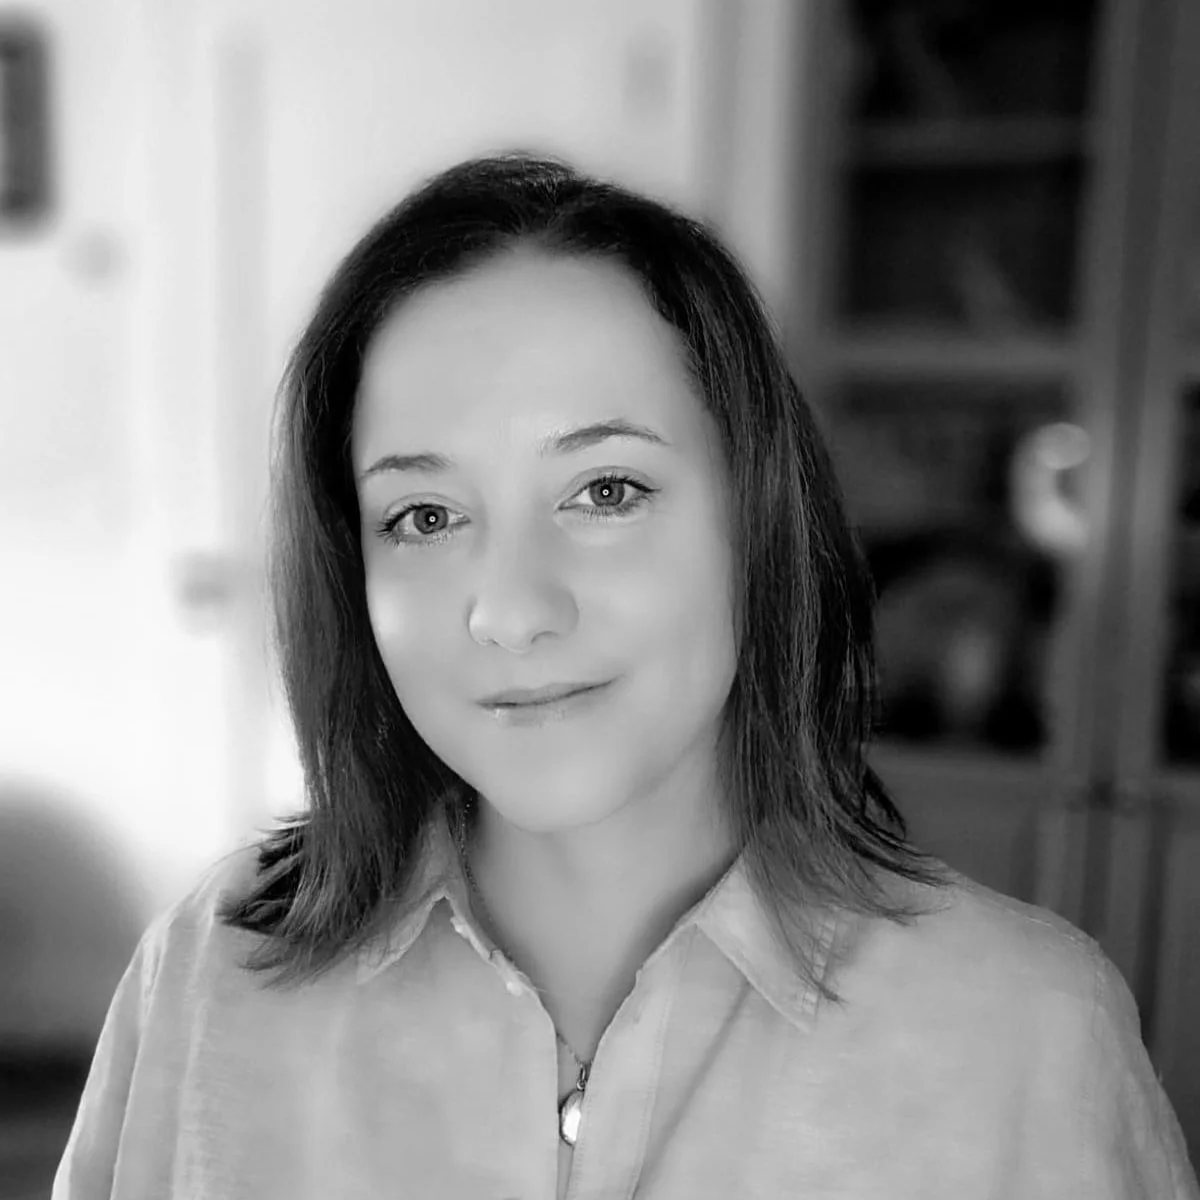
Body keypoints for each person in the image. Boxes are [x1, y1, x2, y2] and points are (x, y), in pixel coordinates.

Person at [53, 152, 1198, 1199]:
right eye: (423, 513)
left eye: (606, 491)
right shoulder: (210, 976)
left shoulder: (1028, 1031)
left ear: (756, 515)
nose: (508, 609)